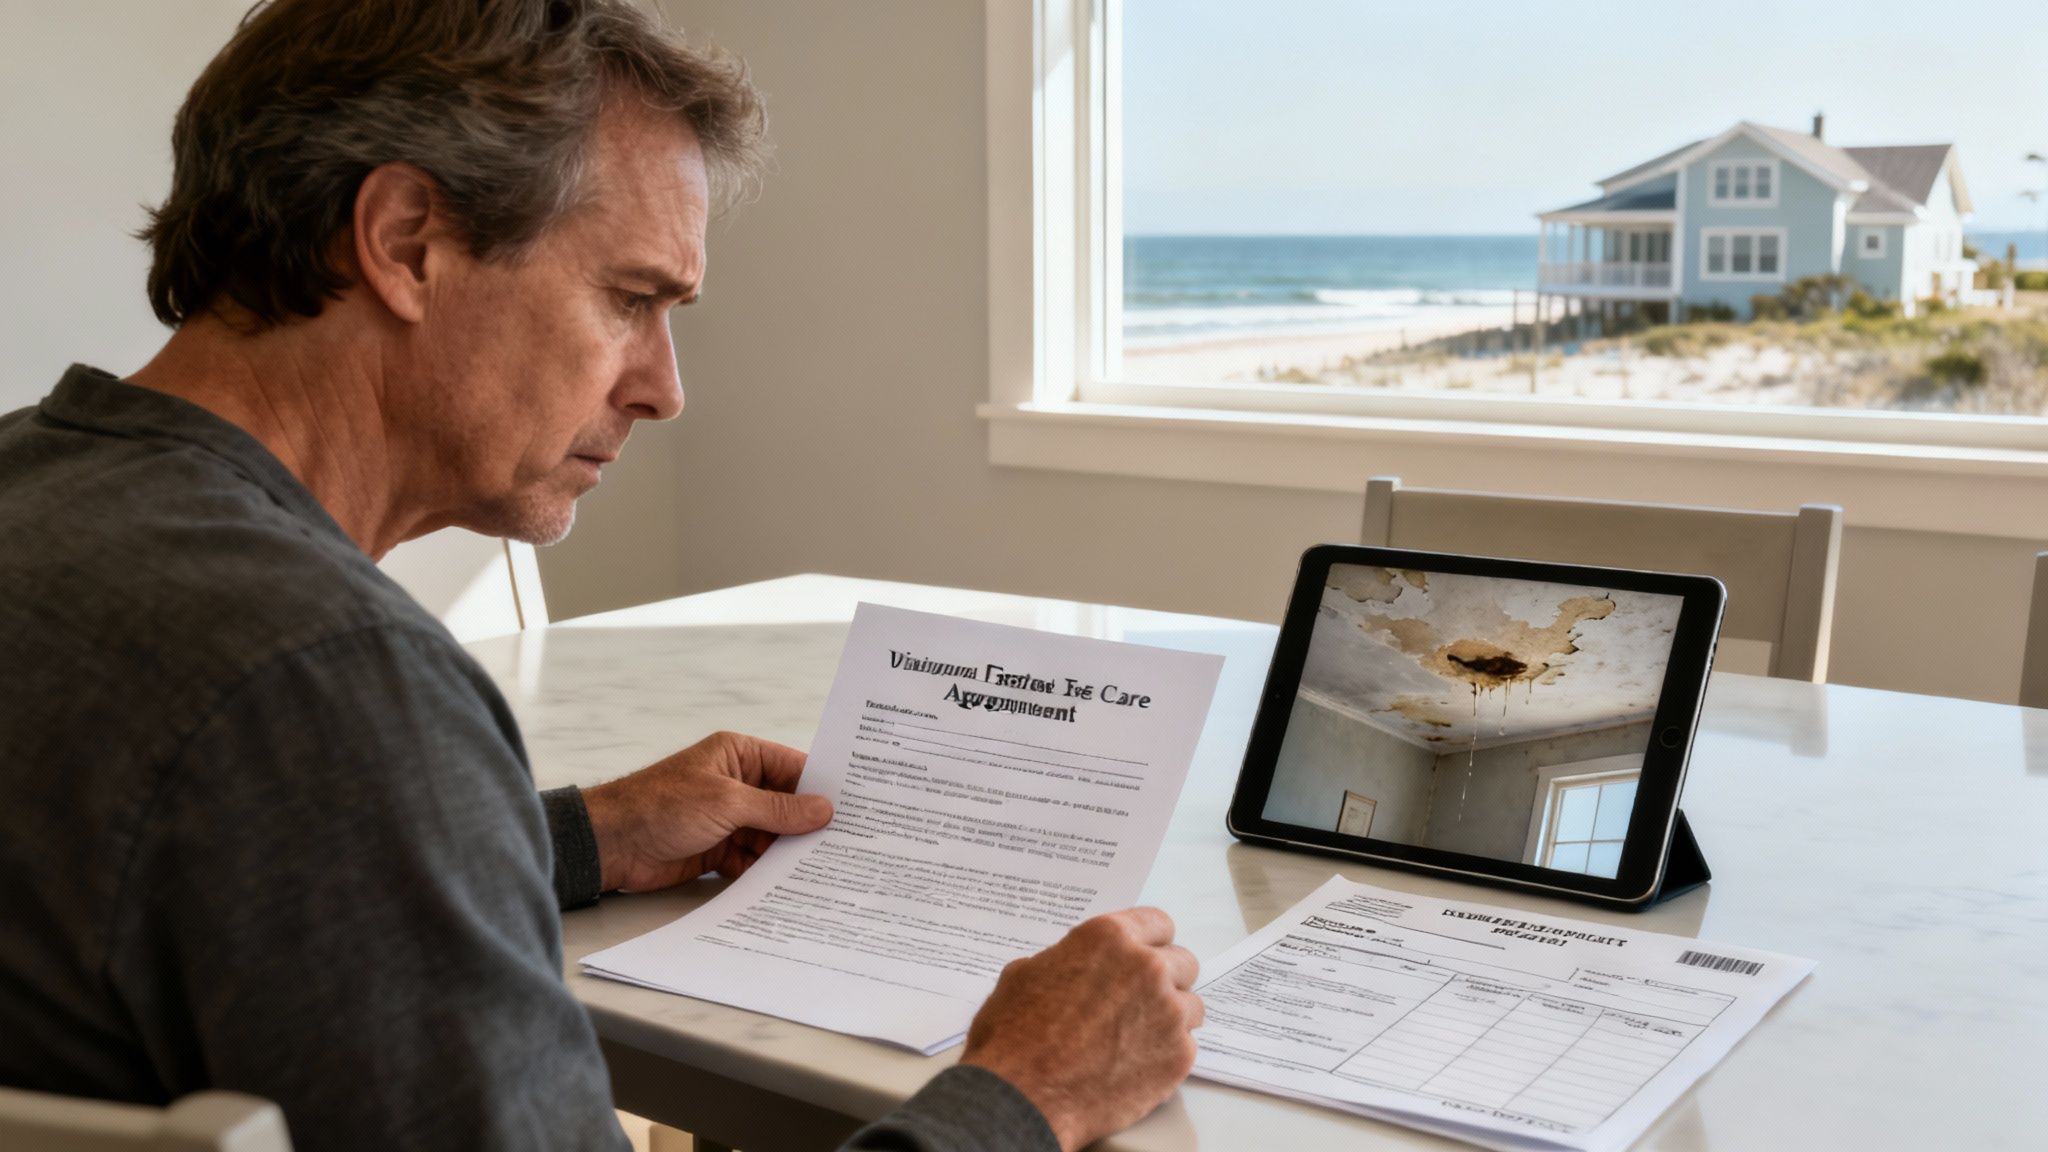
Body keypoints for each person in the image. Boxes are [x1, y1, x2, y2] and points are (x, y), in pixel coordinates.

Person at [0, 2, 1204, 1150]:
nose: (663, 388)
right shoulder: (325, 684)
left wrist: (570, 837)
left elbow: (208, 874)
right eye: (631, 299)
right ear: (406, 242)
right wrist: (1024, 1094)